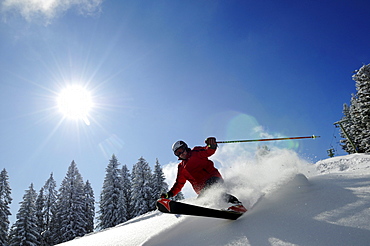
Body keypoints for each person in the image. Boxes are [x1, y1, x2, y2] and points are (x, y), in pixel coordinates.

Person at [161, 137, 247, 213]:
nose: (181, 154)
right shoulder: (181, 168)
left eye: (181, 150)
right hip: (202, 190)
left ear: (185, 147)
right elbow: (178, 184)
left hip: (213, 179)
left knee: (215, 192)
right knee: (201, 202)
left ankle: (237, 205)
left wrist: (211, 145)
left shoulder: (196, 152)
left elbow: (207, 151)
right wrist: (169, 194)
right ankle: (224, 211)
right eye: (177, 153)